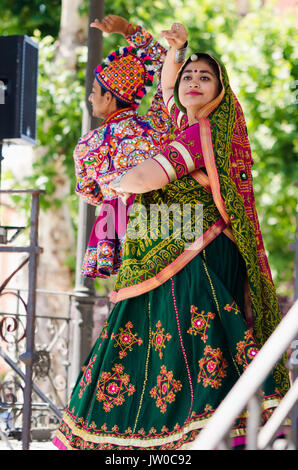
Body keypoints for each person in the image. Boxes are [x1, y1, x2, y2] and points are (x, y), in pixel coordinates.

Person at [53, 23, 290, 450]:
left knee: (190, 353)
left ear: (220, 89)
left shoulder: (204, 133)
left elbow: (146, 177)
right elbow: (165, 90)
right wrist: (175, 50)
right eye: (188, 76)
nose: (193, 82)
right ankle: (148, 443)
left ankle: (202, 440)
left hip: (194, 258)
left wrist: (104, 176)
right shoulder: (179, 122)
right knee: (156, 350)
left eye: (205, 77)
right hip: (167, 256)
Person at [75, 15, 173, 279]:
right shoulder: (155, 128)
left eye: (94, 91)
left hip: (115, 233)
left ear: (108, 97)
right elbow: (170, 65)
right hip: (165, 223)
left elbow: (89, 194)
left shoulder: (86, 145)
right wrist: (128, 30)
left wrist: (110, 194)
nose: (90, 97)